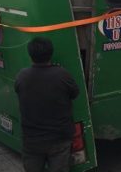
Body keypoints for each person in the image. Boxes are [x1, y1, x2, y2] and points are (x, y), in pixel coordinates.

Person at [15, 37, 79, 172]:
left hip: (32, 140)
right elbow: (75, 93)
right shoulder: (62, 75)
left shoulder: (22, 76)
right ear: (51, 53)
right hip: (59, 139)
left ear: (30, 55)